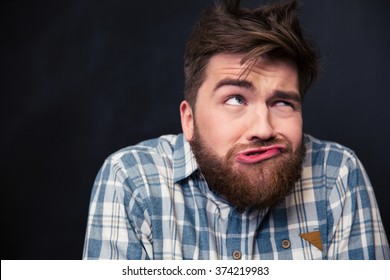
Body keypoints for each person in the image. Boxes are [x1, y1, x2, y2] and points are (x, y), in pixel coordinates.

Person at [83, 0, 389, 259]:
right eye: (235, 99)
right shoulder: (132, 180)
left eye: (282, 103)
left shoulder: (337, 174)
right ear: (189, 120)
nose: (263, 128)